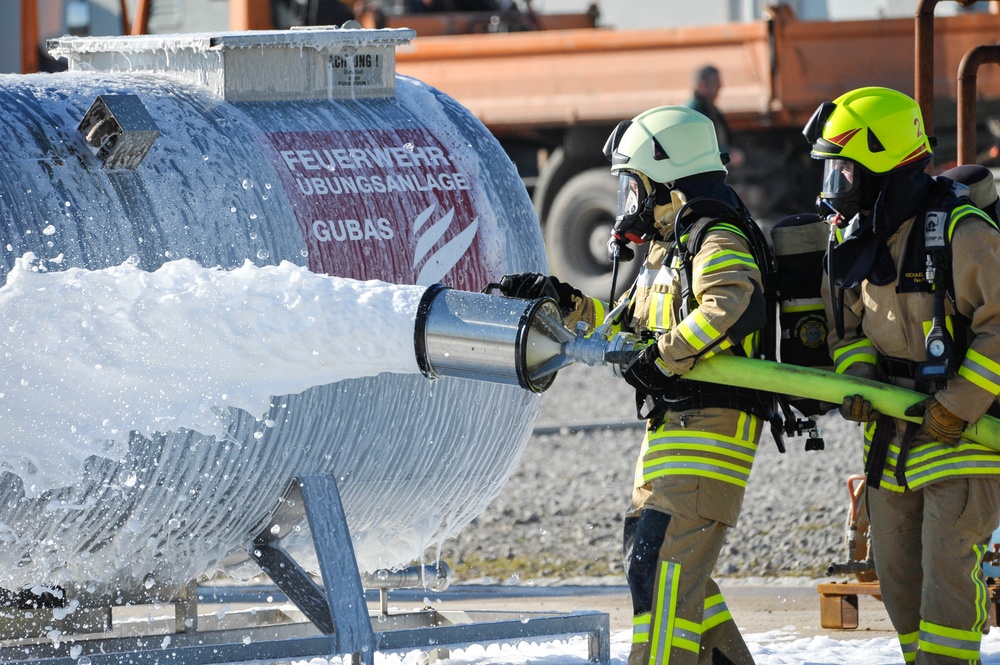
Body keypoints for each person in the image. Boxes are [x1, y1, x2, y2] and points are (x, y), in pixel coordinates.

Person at [496, 105, 768, 665]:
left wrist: (664, 358)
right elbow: (621, 325)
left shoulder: (715, 235)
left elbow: (730, 303)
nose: (629, 197)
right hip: (673, 435)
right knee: (662, 571)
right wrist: (558, 299)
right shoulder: (668, 249)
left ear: (666, 180)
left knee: (662, 571)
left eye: (635, 184)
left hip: (708, 434)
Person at [805, 86, 1000, 664]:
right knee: (898, 579)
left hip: (964, 437)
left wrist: (958, 405)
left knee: (946, 572)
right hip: (891, 438)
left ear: (886, 169)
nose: (835, 189)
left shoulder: (963, 234)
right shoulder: (854, 240)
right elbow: (844, 332)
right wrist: (860, 382)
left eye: (845, 173)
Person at [687, 65, 745, 168]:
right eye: (715, 82)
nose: (720, 86)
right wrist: (726, 156)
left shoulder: (709, 108)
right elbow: (700, 148)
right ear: (702, 85)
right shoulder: (694, 113)